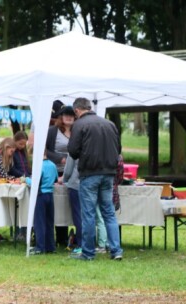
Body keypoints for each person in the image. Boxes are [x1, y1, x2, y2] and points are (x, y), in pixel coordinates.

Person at [67, 97, 123, 261]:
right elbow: (118, 149)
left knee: (89, 215)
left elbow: (73, 151)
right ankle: (116, 251)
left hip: (89, 173)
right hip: (109, 174)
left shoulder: (79, 125)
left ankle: (88, 253)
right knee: (109, 213)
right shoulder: (109, 124)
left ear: (77, 110)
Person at [46, 105, 76, 248]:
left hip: (74, 173)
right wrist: (59, 158)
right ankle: (60, 236)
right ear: (61, 117)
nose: (69, 117)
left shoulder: (78, 130)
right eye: (66, 115)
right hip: (55, 172)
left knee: (70, 204)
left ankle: (72, 237)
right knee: (58, 204)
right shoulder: (53, 131)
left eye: (71, 115)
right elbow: (44, 149)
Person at [28, 151, 58, 254]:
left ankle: (40, 247)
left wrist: (25, 179)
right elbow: (55, 179)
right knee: (49, 222)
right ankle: (50, 246)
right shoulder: (53, 165)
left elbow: (35, 183)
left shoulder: (39, 166)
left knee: (39, 222)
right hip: (50, 194)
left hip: (41, 195)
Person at [62, 155, 83, 256]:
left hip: (75, 184)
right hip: (89, 183)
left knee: (78, 215)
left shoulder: (74, 147)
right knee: (87, 215)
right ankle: (88, 243)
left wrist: (64, 180)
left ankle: (81, 244)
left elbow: (68, 170)